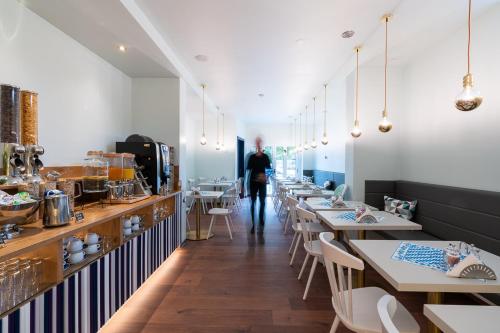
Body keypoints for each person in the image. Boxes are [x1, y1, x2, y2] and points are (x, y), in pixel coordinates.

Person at [246, 137, 271, 234]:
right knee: (253, 203)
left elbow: (269, 170)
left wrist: (266, 177)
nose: (259, 145)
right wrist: (245, 185)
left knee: (263, 202)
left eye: (260, 143)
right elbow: (248, 170)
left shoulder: (265, 157)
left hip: (262, 183)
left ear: (262, 145)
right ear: (255, 145)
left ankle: (261, 219)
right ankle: (253, 224)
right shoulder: (251, 157)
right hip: (252, 182)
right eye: (257, 143)